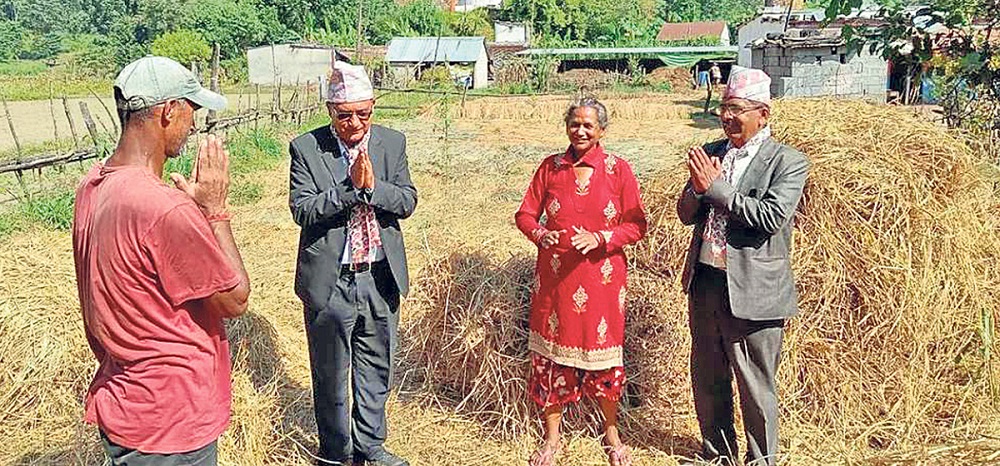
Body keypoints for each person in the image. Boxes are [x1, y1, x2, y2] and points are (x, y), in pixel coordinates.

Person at [72, 56, 250, 466]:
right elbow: (236, 300)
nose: (193, 124)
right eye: (192, 110)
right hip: (171, 418)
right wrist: (214, 211)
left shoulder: (93, 186)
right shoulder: (163, 208)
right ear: (169, 111)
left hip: (125, 399)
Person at [676, 66, 810, 465]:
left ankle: (761, 459)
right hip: (707, 283)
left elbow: (770, 217)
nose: (727, 117)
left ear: (763, 114)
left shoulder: (787, 162)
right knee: (708, 377)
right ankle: (717, 455)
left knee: (756, 384)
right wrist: (697, 190)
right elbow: (685, 214)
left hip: (755, 290)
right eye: (723, 108)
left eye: (737, 109)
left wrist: (714, 188)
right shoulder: (714, 152)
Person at [289, 60, 417, 466]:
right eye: (345, 116)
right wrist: (350, 189)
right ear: (330, 111)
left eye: (364, 114)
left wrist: (374, 188)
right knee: (330, 374)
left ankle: (371, 446)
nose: (355, 123)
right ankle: (335, 452)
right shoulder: (307, 148)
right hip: (332, 281)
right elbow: (303, 210)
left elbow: (407, 201)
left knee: (376, 367)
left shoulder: (391, 143)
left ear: (374, 107)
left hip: (379, 276)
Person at [515, 97, 648, 466]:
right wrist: (541, 235)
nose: (581, 130)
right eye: (575, 123)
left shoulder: (618, 170)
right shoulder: (550, 168)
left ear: (602, 130)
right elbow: (525, 214)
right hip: (555, 280)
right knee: (552, 360)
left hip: (602, 282)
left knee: (604, 360)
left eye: (589, 125)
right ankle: (552, 440)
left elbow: (637, 224)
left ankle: (611, 433)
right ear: (567, 127)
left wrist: (601, 239)